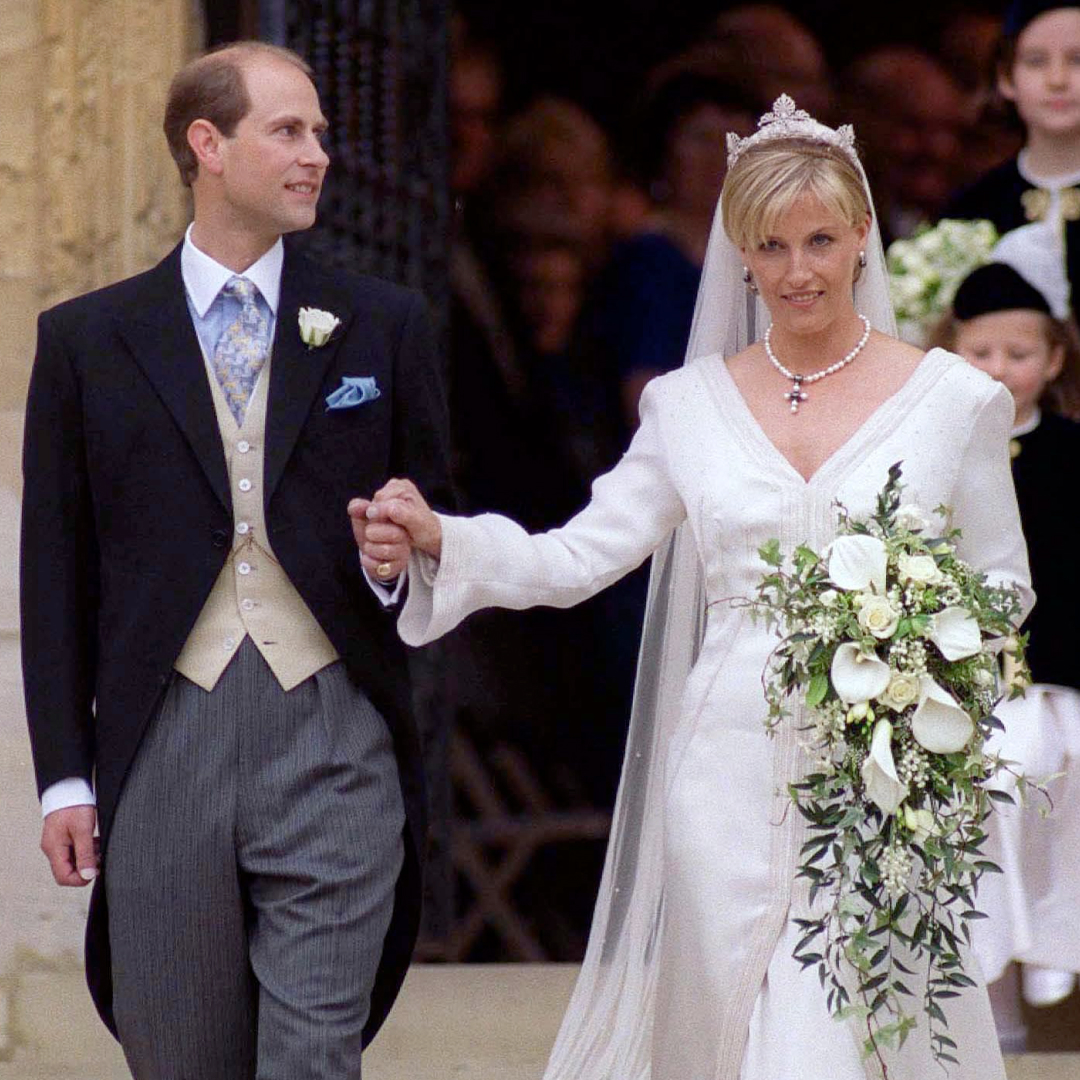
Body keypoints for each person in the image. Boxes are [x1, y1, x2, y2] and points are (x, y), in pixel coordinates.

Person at [354, 96, 1032, 1079]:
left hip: (884, 764)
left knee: (844, 1022)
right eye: (770, 246)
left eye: (819, 240)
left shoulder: (955, 401)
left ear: (861, 237)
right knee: (731, 1018)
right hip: (724, 762)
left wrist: (917, 658)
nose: (796, 271)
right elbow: (578, 557)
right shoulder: (688, 407)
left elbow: (1002, 584)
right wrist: (441, 539)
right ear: (738, 254)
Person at [20, 42, 452, 1080]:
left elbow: (439, 533)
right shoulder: (86, 340)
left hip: (335, 735)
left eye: (321, 134)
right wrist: (64, 779)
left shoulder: (386, 325)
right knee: (182, 1059)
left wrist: (396, 562)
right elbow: (55, 578)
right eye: (288, 131)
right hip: (165, 739)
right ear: (207, 145)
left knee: (312, 1058)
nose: (318, 156)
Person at [933, 261, 1080, 1021]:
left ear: (1053, 360)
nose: (998, 370)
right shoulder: (937, 448)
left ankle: (1051, 952)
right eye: (980, 352)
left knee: (1051, 787)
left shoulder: (1071, 450)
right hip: (961, 678)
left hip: (1055, 674)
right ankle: (989, 992)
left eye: (1018, 354)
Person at [945, 2, 1080, 319]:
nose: (1057, 80)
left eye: (1077, 60)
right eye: (1036, 61)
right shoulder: (973, 208)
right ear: (1006, 78)